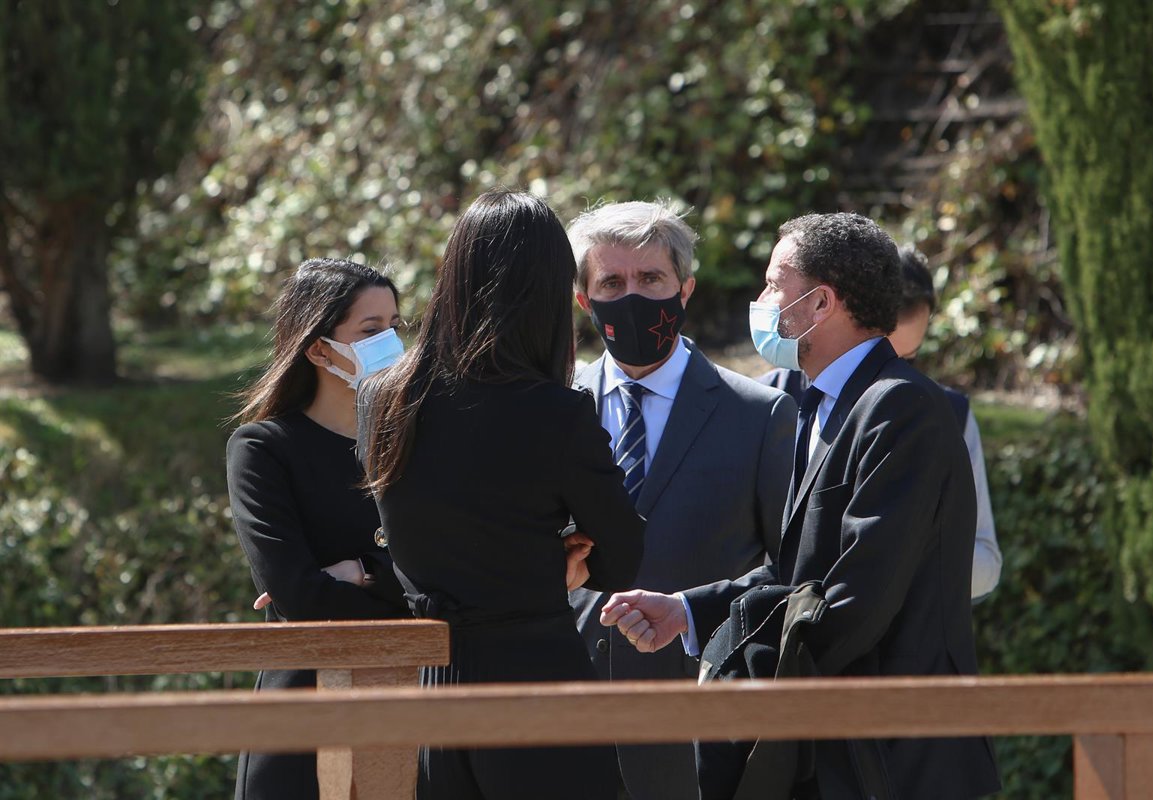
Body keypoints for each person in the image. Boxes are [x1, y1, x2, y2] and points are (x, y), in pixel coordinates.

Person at [601, 213, 1001, 799]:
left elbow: (856, 598)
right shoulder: (820, 404)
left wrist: (736, 671)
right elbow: (797, 574)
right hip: (837, 750)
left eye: (773, 284)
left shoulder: (899, 409)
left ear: (820, 304)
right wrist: (685, 611)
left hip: (896, 761)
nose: (761, 301)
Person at [358, 189, 645, 800]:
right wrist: (549, 558)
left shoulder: (382, 397)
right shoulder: (556, 412)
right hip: (535, 676)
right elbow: (622, 558)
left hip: (433, 681)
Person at [566, 200, 796, 800]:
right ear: (584, 300)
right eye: (612, 283)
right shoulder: (552, 409)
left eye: (651, 279)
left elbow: (794, 568)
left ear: (685, 288)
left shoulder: (759, 415)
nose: (633, 297)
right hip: (567, 717)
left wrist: (690, 612)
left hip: (700, 725)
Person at [226, 257, 411, 800]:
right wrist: (397, 584)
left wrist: (360, 572)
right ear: (318, 350)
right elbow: (298, 595)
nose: (390, 344)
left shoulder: (415, 443)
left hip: (411, 704)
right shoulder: (263, 449)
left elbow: (453, 573)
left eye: (394, 326)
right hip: (303, 709)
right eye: (370, 331)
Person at [760, 244, 1002, 601]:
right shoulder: (769, 402)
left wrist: (898, 557)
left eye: (907, 359)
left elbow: (985, 562)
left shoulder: (947, 415)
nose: (886, 375)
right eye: (873, 355)